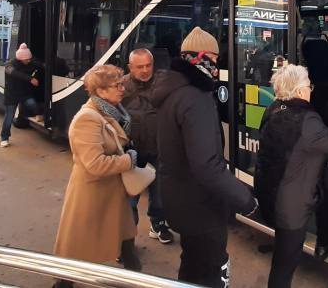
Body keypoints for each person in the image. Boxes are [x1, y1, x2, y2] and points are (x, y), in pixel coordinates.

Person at [152, 27, 257, 288]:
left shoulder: (174, 90)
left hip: (180, 200)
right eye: (215, 59)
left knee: (192, 263)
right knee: (212, 269)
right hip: (200, 206)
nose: (217, 64)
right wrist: (244, 199)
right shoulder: (194, 97)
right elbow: (206, 164)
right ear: (203, 58)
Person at [255, 64, 328, 288]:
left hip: (271, 194)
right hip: (290, 206)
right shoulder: (307, 121)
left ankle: (327, 241)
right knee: (285, 263)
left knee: (325, 190)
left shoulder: (273, 110)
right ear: (298, 92)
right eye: (308, 86)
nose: (311, 90)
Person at [52, 65, 141, 288]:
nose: (123, 89)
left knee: (125, 236)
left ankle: (135, 275)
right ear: (100, 92)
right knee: (77, 244)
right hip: (92, 193)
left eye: (122, 83)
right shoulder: (87, 118)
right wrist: (128, 160)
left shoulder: (111, 110)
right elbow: (95, 164)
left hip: (112, 190)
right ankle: (63, 283)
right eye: (117, 85)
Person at [122, 48, 174, 244]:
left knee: (160, 192)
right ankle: (126, 237)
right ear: (130, 67)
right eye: (139, 67)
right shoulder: (120, 87)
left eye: (148, 65)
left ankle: (158, 224)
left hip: (158, 149)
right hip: (131, 152)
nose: (145, 70)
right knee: (129, 198)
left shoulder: (163, 86)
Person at [0, 43, 42, 147]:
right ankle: (4, 138)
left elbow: (38, 66)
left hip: (25, 93)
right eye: (27, 59)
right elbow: (15, 74)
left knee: (33, 104)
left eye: (29, 59)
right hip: (12, 94)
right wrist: (30, 79)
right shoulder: (10, 65)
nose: (29, 61)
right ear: (20, 59)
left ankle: (39, 115)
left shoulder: (29, 63)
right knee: (9, 117)